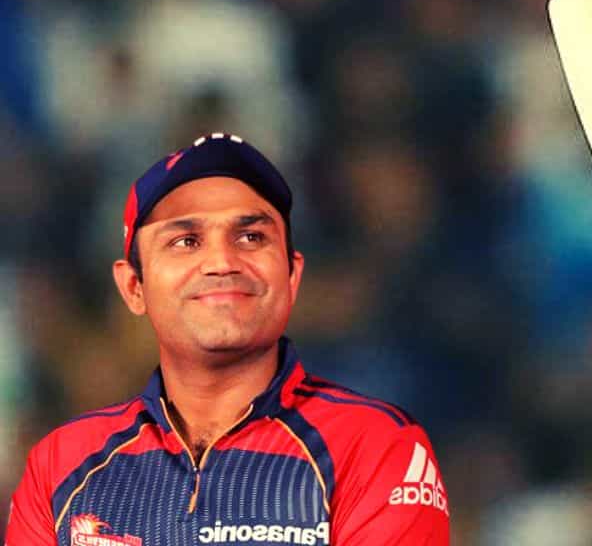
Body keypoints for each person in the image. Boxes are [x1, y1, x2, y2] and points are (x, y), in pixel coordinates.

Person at [6, 133, 449, 546]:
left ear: (292, 276)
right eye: (186, 241)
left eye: (251, 237)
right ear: (133, 287)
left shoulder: (375, 447)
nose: (221, 261)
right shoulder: (59, 465)